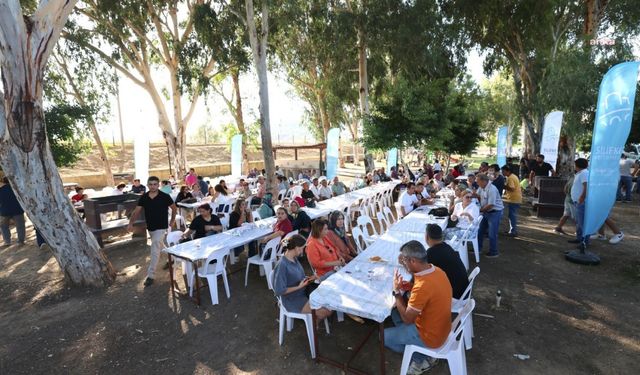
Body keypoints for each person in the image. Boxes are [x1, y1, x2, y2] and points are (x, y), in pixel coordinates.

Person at [384, 241, 452, 374]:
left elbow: (408, 319)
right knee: (394, 313)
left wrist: (397, 292)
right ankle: (410, 341)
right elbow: (428, 294)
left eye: (404, 261)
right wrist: (409, 287)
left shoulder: (422, 287)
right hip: (441, 327)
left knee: (383, 337)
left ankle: (421, 357)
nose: (403, 264)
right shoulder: (437, 270)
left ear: (413, 261)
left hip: (429, 336)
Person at [127, 176, 177, 287]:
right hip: (151, 227)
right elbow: (136, 211)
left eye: (155, 184)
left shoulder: (165, 196)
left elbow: (174, 208)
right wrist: (131, 223)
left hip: (162, 226)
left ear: (158, 185)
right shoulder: (144, 197)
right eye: (151, 184)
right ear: (147, 185)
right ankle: (172, 259)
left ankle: (151, 275)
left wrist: (173, 220)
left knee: (154, 249)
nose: (153, 186)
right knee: (159, 245)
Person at [273, 234, 332, 320]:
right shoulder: (282, 265)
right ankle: (314, 324)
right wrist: (299, 286)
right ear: (296, 248)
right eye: (302, 248)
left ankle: (314, 322)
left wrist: (309, 278)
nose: (303, 251)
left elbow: (298, 277)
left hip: (303, 291)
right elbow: (280, 291)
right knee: (326, 311)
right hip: (293, 299)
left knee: (331, 304)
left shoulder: (294, 259)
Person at [425, 224, 469, 299]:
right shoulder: (447, 246)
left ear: (426, 237)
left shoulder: (431, 253)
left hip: (455, 296)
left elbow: (420, 272)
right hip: (464, 290)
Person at [476, 173, 504, 258]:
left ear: (484, 181)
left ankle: (494, 252)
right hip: (486, 211)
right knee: (480, 231)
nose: (477, 183)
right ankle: (478, 248)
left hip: (494, 212)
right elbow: (477, 194)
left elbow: (491, 205)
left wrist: (479, 210)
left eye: (478, 181)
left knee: (492, 233)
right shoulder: (482, 187)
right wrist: (468, 195)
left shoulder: (492, 189)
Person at [568, 158, 589, 250]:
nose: (574, 166)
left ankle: (584, 242)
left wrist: (582, 197)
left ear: (578, 165)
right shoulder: (580, 173)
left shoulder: (584, 173)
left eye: (575, 164)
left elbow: (586, 186)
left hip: (581, 201)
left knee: (582, 223)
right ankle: (579, 238)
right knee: (579, 222)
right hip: (577, 201)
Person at [0, 177, 25, 247]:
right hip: (17, 210)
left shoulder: (1, 190)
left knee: (3, 226)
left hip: (4, 211)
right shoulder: (17, 189)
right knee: (20, 226)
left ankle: (7, 241)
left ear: (4, 182)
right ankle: (21, 241)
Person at [501, 165, 522, 237]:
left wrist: (503, 186)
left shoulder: (510, 178)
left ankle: (513, 231)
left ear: (508, 171)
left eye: (503, 171)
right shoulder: (513, 176)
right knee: (511, 215)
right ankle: (512, 230)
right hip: (514, 199)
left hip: (514, 199)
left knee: (512, 216)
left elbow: (512, 188)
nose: (502, 173)